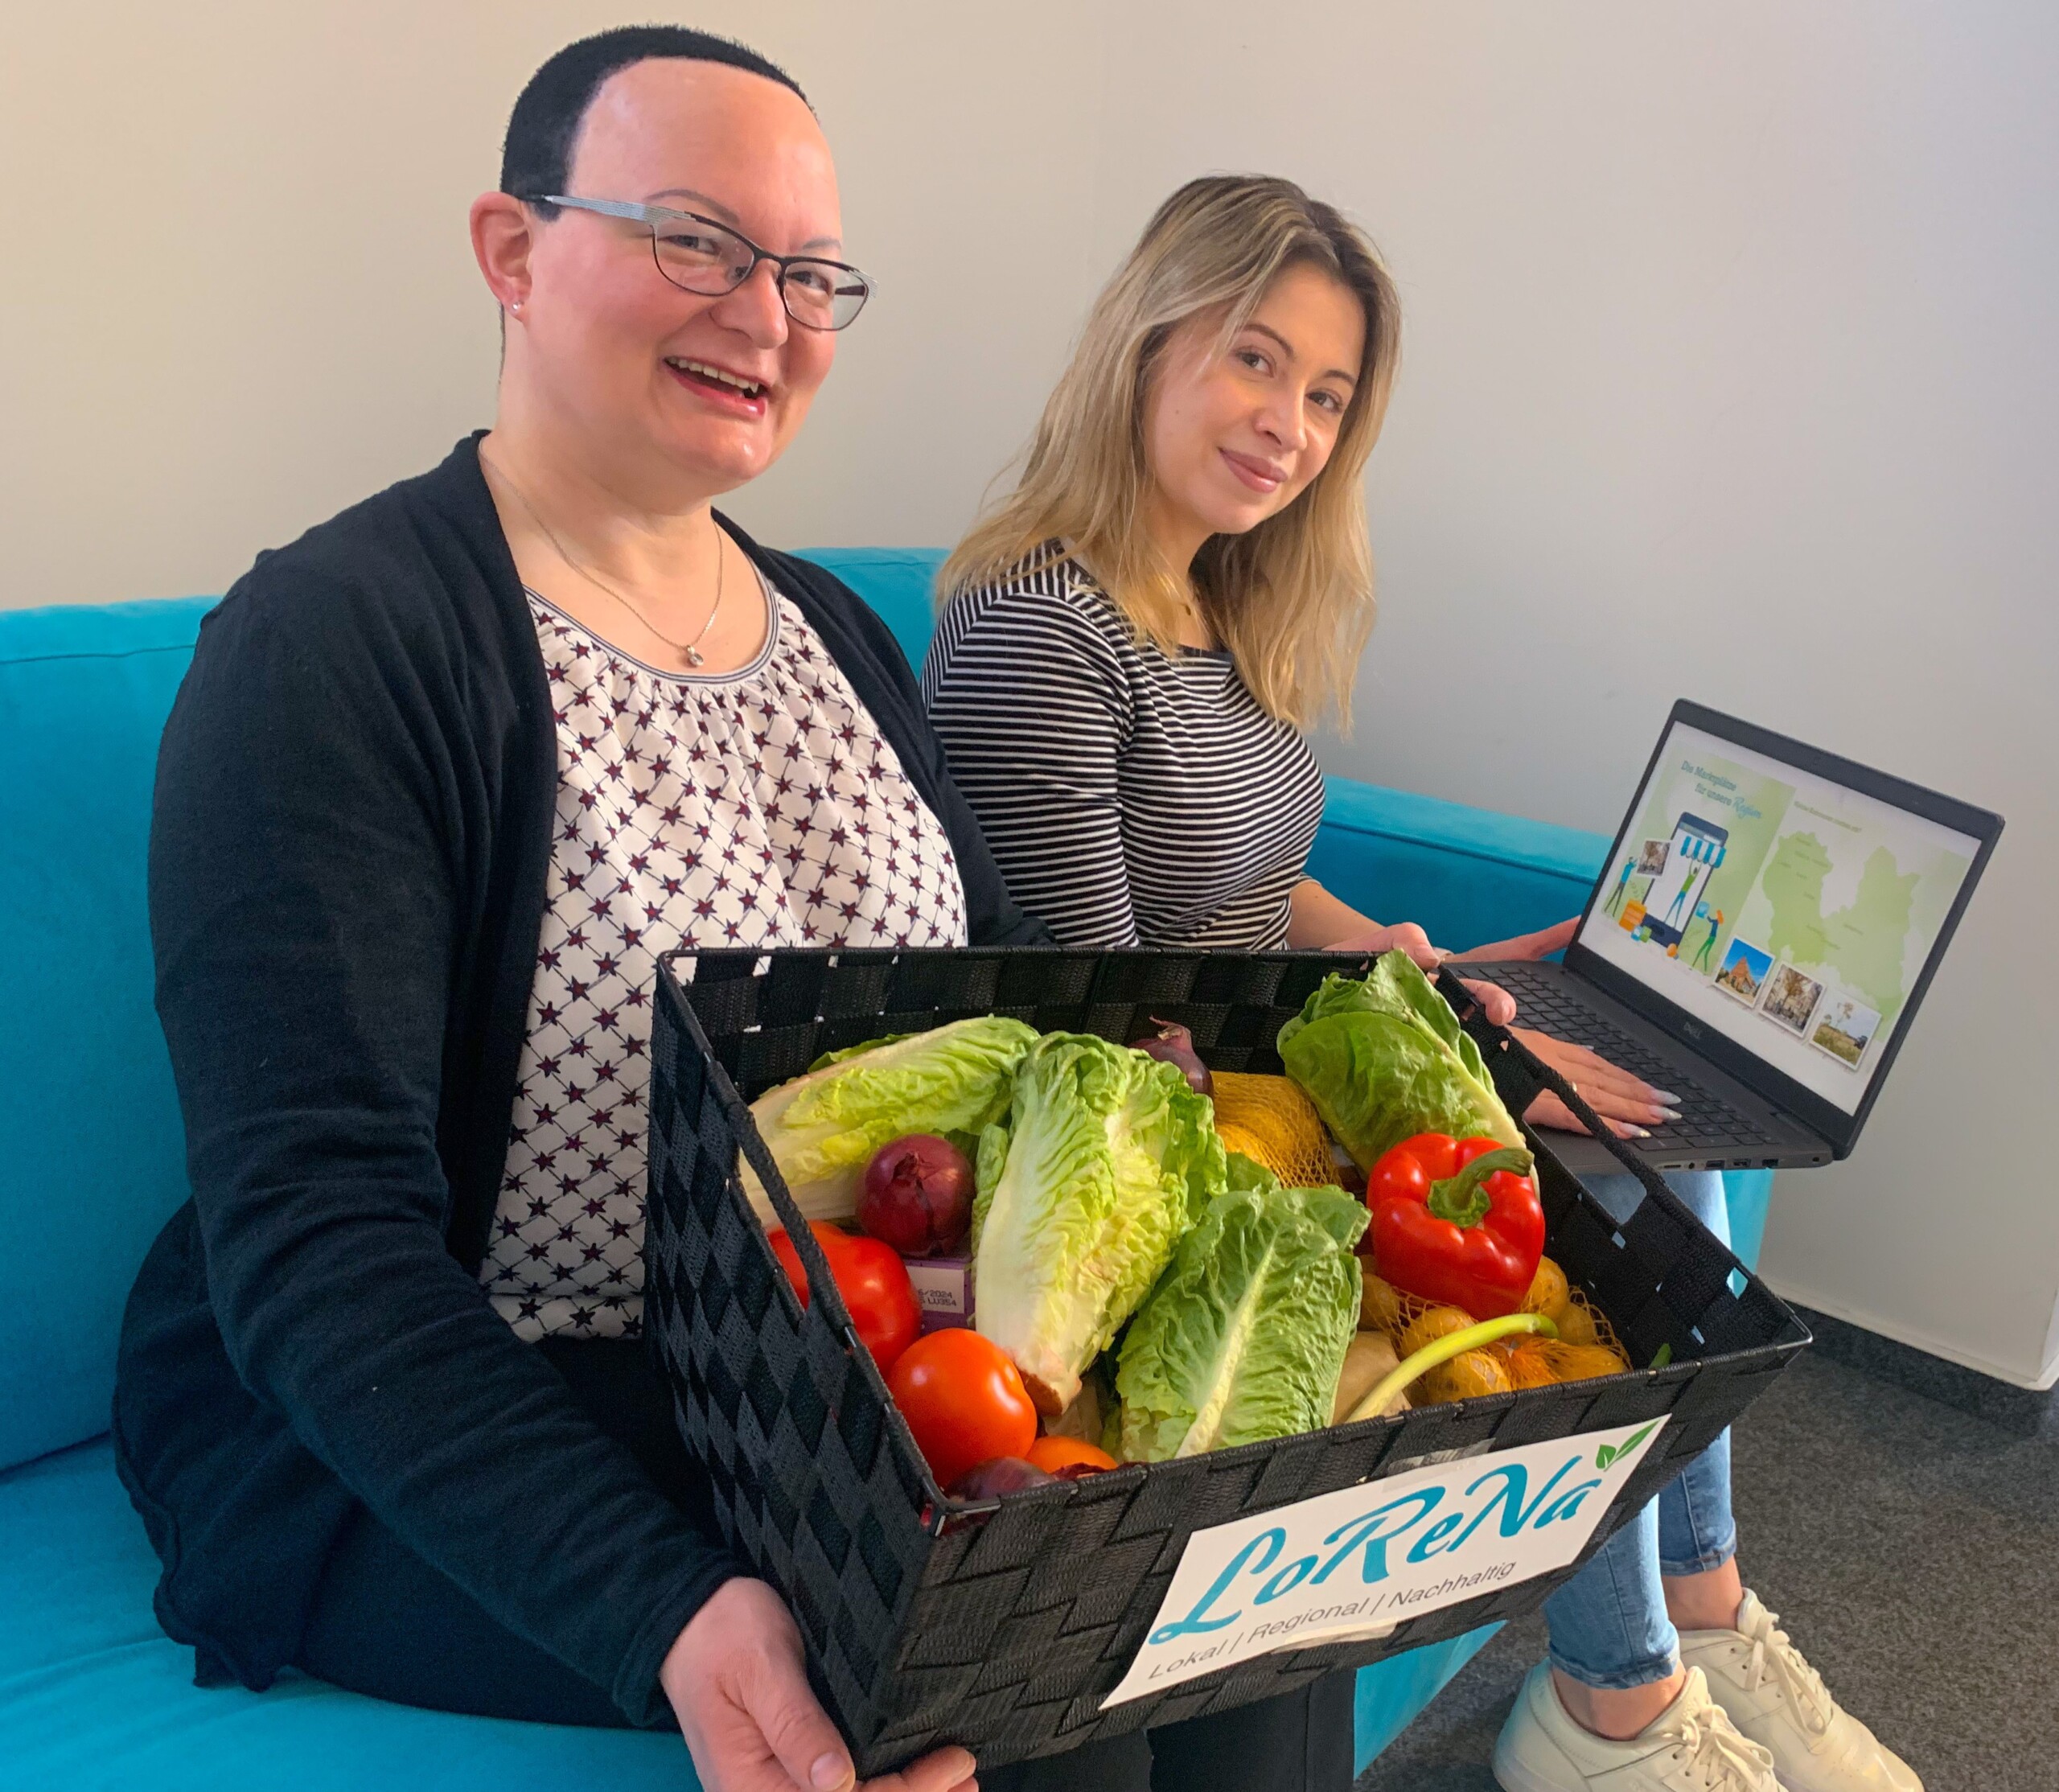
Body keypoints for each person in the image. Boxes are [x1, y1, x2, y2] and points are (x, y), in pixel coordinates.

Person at [114, 30, 1028, 1792]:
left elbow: (1004, 1031)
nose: (766, 313)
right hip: (442, 1414)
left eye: (812, 270)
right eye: (697, 239)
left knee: (1179, 1597)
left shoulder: (836, 633)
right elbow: (317, 1245)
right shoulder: (335, 645)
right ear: (512, 251)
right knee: (963, 1683)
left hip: (826, 1377)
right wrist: (663, 1603)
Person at [924, 175, 1920, 1792]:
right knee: (1590, 1164)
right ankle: (1612, 1703)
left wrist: (1405, 959)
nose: (1289, 427)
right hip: (1153, 1120)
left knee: (1678, 1139)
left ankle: (1698, 1605)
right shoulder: (1044, 631)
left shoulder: (1203, 598)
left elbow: (1240, 877)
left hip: (1241, 1054)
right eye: (1255, 361)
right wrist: (1467, 1061)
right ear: (1145, 336)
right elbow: (1107, 1015)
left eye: (1326, 396)